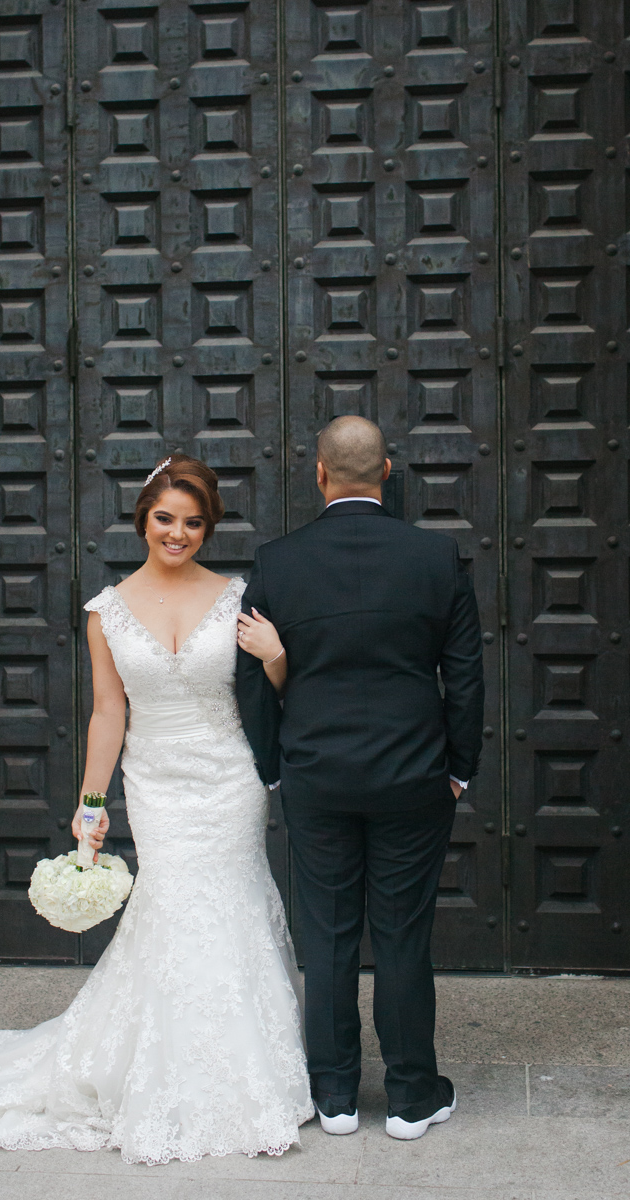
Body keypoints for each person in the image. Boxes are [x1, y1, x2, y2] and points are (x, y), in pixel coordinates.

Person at [0, 455, 313, 1163]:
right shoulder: (108, 610)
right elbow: (108, 712)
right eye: (165, 519)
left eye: (193, 522)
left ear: (209, 527)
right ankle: (157, 1070)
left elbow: (274, 692)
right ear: (143, 520)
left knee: (234, 904)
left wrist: (278, 655)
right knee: (172, 904)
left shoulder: (239, 598)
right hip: (156, 782)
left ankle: (245, 1070)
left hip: (229, 779)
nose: (178, 533)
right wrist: (91, 803)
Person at [236, 416, 484, 1141]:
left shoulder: (277, 563)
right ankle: (411, 1097)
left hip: (316, 777)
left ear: (319, 473)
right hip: (415, 778)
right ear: (387, 472)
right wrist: (460, 770)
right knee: (404, 936)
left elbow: (252, 679)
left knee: (330, 935)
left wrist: (275, 767)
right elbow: (464, 680)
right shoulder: (436, 558)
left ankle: (336, 1096)